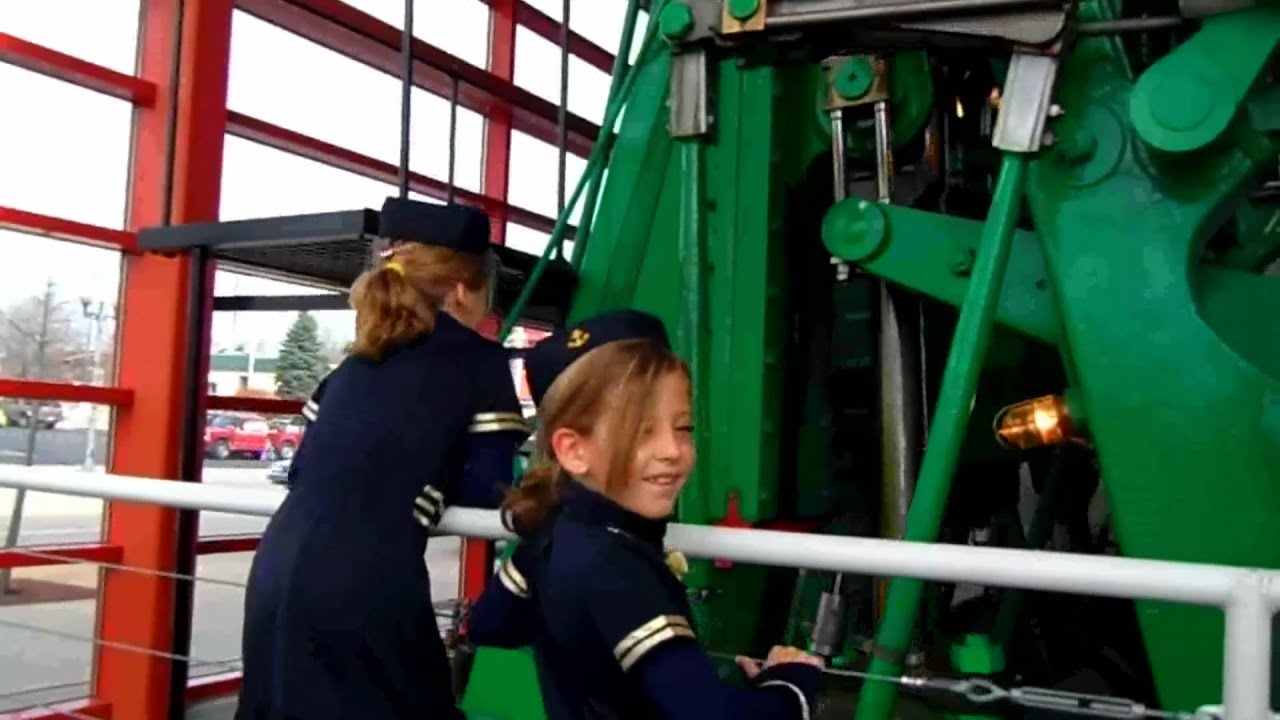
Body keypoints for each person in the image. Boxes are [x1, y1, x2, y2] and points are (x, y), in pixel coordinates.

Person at [236, 197, 529, 720]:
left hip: (278, 568)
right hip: (369, 580)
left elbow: (303, 468)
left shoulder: (349, 366)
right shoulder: (480, 362)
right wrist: (431, 487)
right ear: (465, 289)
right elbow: (490, 484)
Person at [467, 309, 824, 719]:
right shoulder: (615, 563)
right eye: (641, 431)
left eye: (684, 428)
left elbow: (491, 624)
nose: (673, 450)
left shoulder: (555, 532)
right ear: (573, 450)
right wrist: (793, 682)